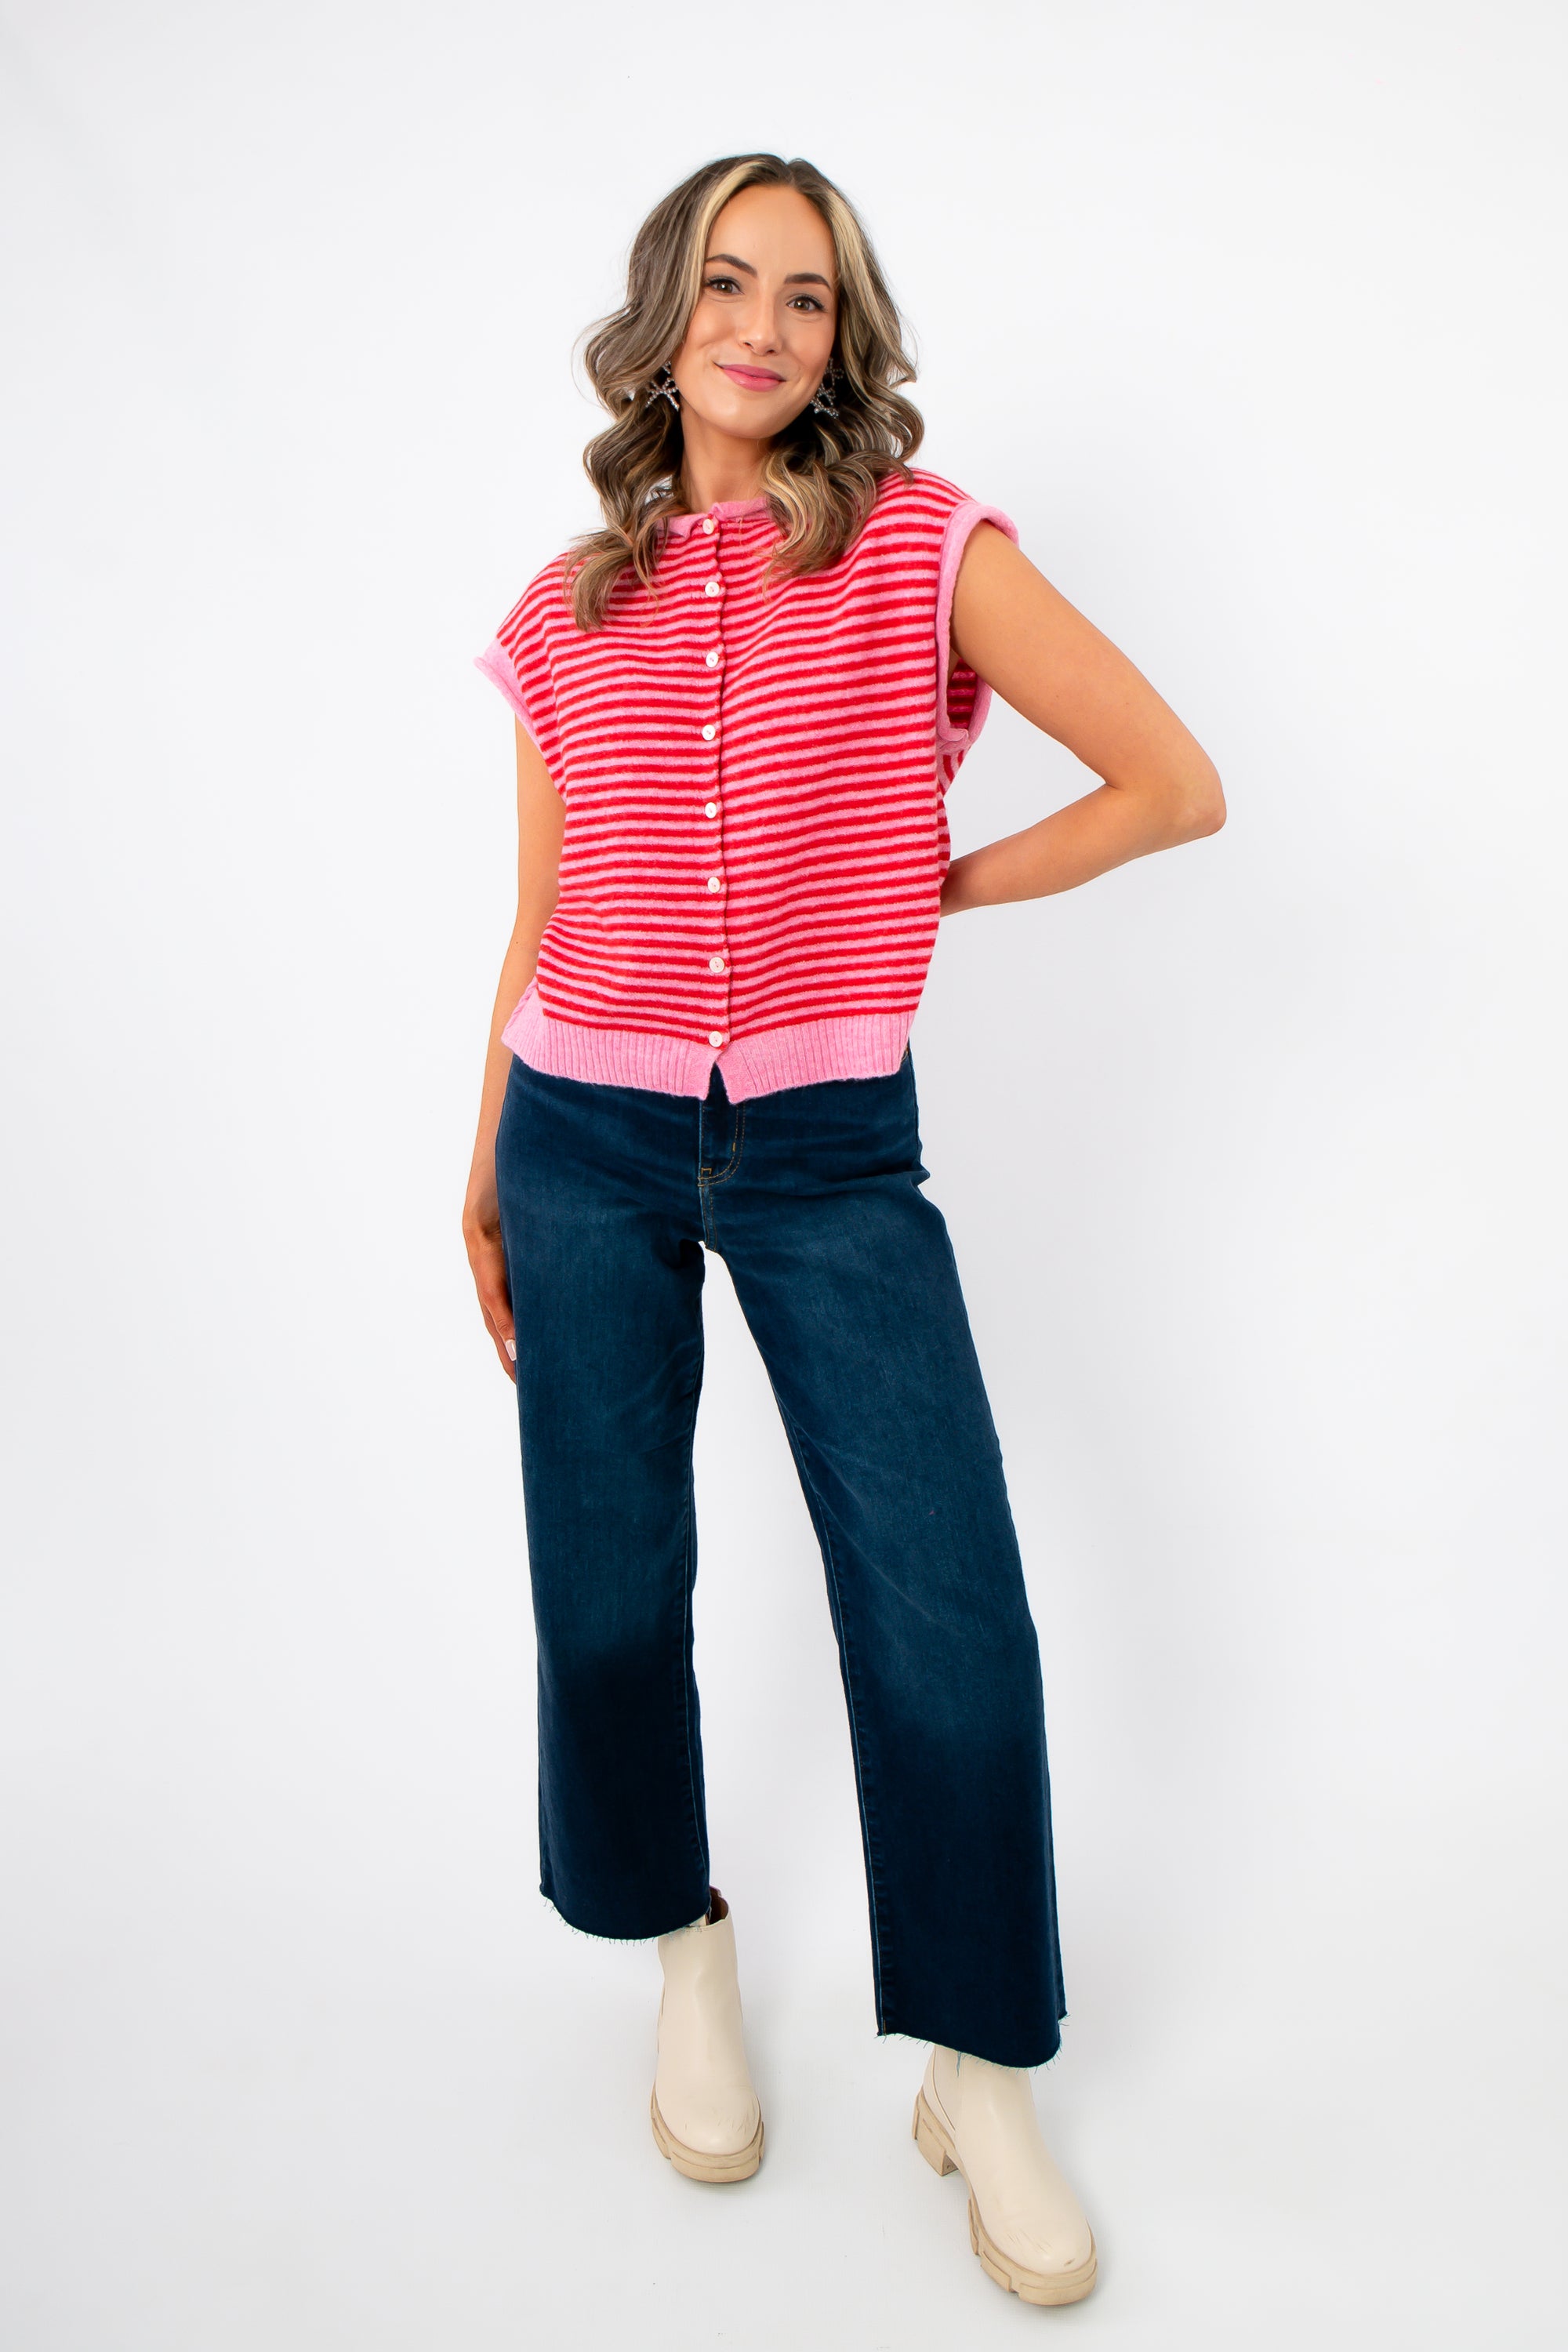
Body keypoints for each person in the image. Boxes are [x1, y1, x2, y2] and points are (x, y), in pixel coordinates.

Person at [463, 152, 1224, 2309]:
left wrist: (927, 897)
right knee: (606, 1594)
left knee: (949, 1613)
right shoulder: (561, 608)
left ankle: (977, 2059)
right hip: (582, 1130)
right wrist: (486, 1132)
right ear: (663, 315)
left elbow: (1173, 780)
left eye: (811, 295)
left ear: (844, 340)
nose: (767, 325)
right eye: (730, 282)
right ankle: (679, 1942)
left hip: (825, 1156)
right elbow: (542, 912)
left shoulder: (919, 548)